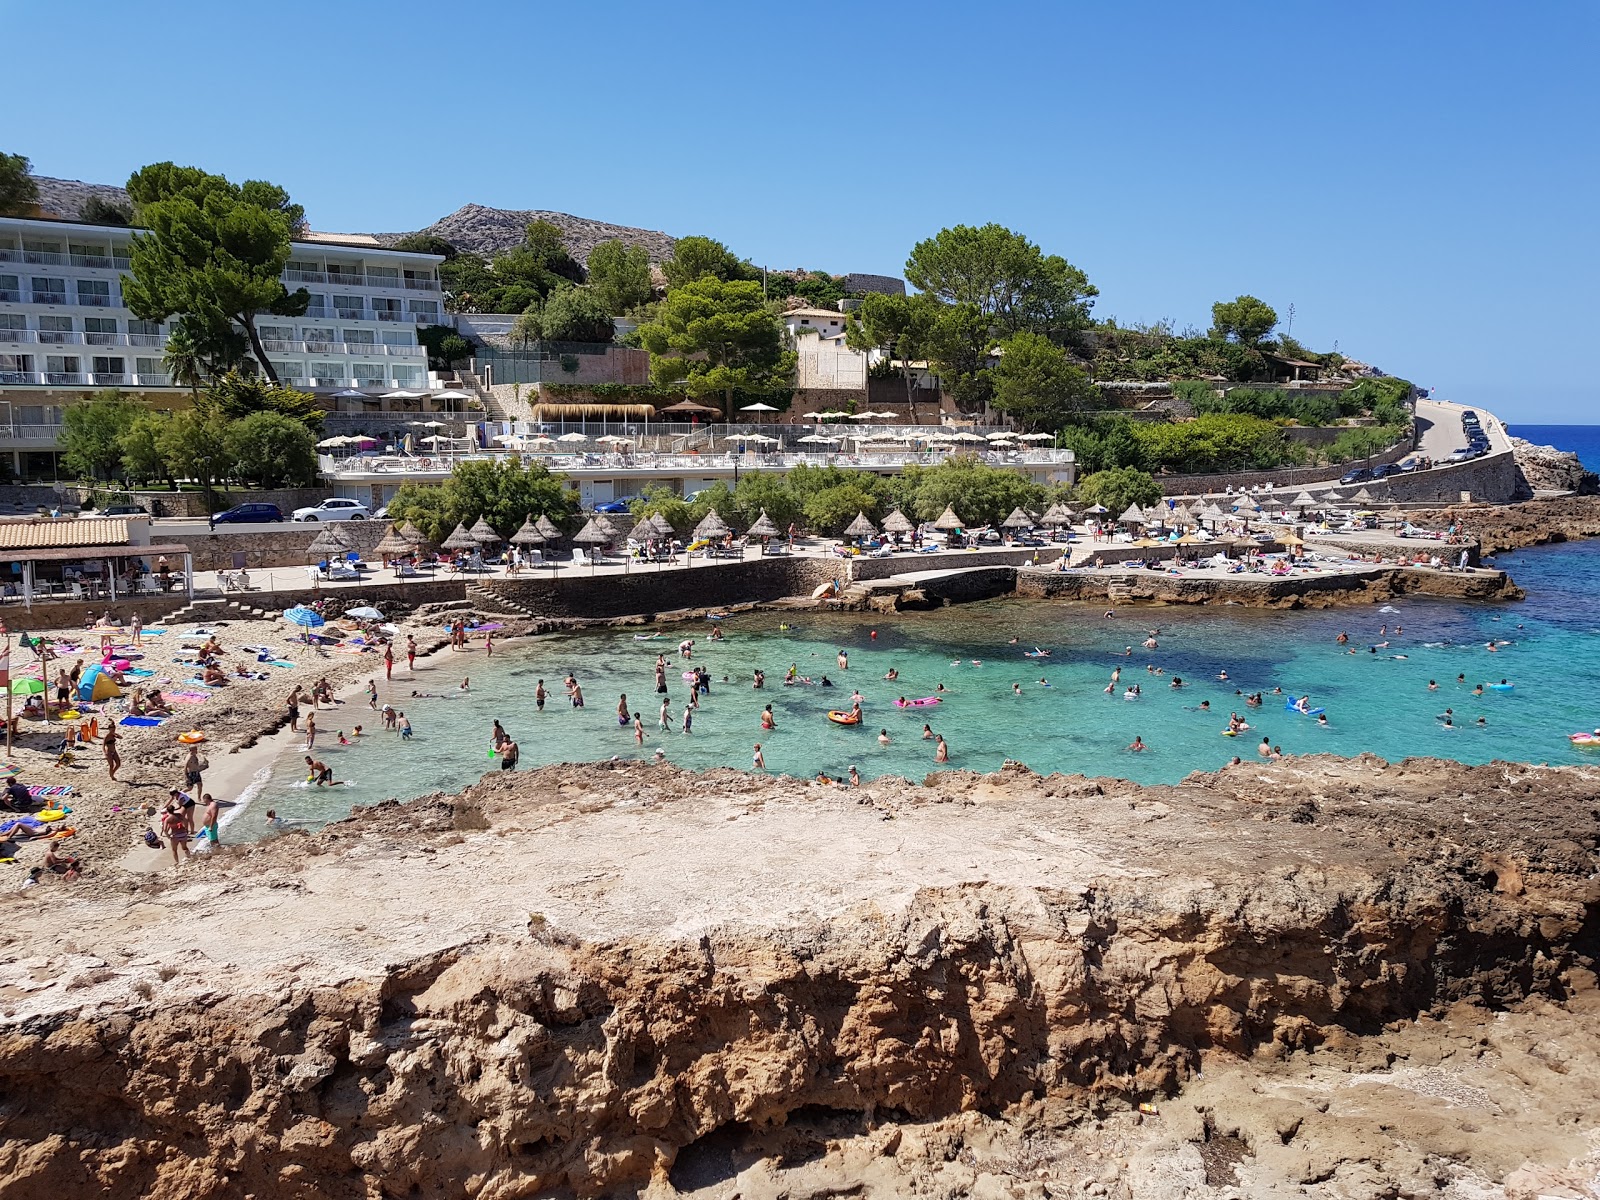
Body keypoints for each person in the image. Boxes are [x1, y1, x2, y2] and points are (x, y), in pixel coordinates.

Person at [160, 801, 191, 867]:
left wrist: (168, 836)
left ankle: (177, 862)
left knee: (174, 850)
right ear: (174, 810)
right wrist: (186, 829)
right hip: (183, 833)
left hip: (175, 835)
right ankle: (190, 858)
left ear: (167, 811)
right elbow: (186, 821)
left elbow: (165, 829)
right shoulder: (179, 815)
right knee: (184, 847)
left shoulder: (167, 819)